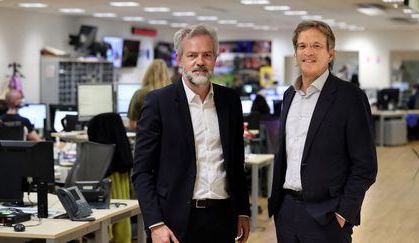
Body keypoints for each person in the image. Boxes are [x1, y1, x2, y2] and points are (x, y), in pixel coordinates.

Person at [132, 24, 250, 243]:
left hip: (222, 218)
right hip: (173, 223)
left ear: (215, 58)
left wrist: (243, 211)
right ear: (179, 59)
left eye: (206, 55)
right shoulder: (159, 102)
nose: (200, 62)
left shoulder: (230, 100)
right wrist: (155, 224)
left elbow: (236, 163)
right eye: (192, 55)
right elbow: (142, 171)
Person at [267, 20, 377, 243]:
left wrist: (344, 213)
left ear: (330, 54)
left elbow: (365, 166)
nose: (308, 52)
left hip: (327, 216)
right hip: (286, 211)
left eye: (316, 46)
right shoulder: (289, 96)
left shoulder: (350, 97)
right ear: (296, 52)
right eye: (302, 46)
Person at [127, 59, 171, 130]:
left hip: (146, 138)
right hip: (169, 139)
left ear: (148, 74)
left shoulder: (139, 94)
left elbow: (132, 125)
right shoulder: (173, 93)